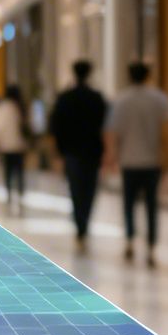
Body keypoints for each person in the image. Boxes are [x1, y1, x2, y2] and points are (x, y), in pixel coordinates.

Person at [105, 62, 168, 268]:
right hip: (152, 161)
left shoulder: (121, 100)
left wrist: (111, 157)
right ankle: (151, 247)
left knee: (128, 203)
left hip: (129, 161)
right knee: (151, 205)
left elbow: (112, 131)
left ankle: (129, 240)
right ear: (148, 76)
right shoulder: (159, 99)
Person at [49, 60, 108, 250]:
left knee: (75, 189)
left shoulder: (65, 98)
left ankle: (79, 226)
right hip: (92, 151)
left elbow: (56, 126)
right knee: (89, 190)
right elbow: (105, 126)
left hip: (71, 152)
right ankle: (85, 224)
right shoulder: (97, 98)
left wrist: (58, 151)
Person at [0, 86, 28, 215]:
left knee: (8, 171)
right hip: (19, 145)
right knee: (19, 170)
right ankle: (20, 192)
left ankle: (9, 193)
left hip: (6, 146)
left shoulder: (3, 108)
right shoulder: (20, 107)